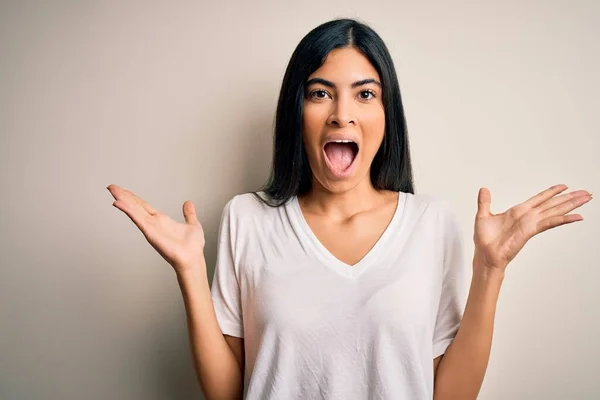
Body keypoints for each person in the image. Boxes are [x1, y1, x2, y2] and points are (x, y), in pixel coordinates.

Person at [106, 18, 592, 400]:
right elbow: (229, 392)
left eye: (365, 93)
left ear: (386, 114)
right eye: (320, 93)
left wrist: (490, 270)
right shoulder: (246, 219)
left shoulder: (431, 223)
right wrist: (189, 270)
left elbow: (449, 395)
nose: (343, 113)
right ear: (295, 111)